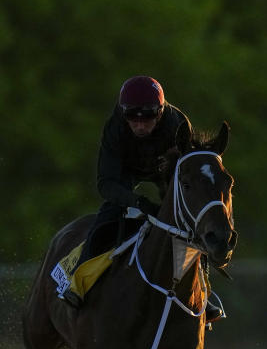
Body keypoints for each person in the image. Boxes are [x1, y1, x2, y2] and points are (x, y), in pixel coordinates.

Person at [61, 75, 224, 323]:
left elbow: (187, 174)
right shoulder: (114, 127)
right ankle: (78, 281)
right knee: (107, 218)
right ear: (122, 113)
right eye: (131, 117)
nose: (139, 125)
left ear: (160, 112)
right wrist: (138, 203)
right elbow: (106, 183)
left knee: (190, 226)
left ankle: (204, 292)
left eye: (147, 117)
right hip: (125, 172)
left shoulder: (177, 123)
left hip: (166, 171)